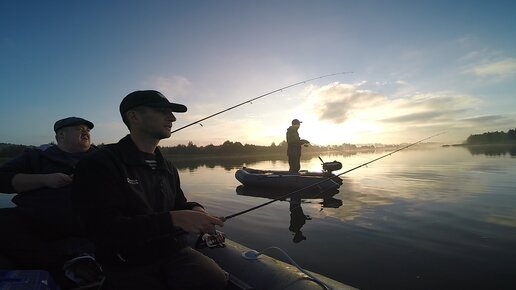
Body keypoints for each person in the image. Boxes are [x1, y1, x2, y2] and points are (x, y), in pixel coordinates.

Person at [72, 90, 228, 290]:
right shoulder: (98, 164)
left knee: (215, 279)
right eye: (162, 111)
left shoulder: (168, 167)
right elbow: (100, 229)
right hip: (125, 261)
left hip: (171, 251)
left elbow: (179, 204)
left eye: (171, 113)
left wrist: (197, 210)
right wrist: (175, 219)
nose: (172, 117)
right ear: (134, 116)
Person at [0, 117, 103, 288]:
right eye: (79, 128)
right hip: (37, 223)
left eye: (88, 130)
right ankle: (75, 261)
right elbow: (2, 178)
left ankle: (74, 262)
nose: (86, 132)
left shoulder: (103, 158)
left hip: (89, 224)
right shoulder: (37, 156)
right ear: (61, 135)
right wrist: (44, 180)